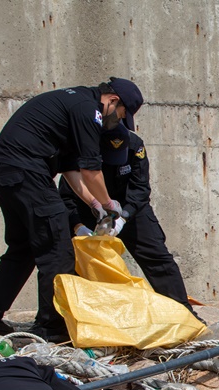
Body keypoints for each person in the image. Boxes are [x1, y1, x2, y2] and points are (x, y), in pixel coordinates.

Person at [0, 77, 144, 343]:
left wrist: (94, 204)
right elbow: (90, 170)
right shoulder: (89, 110)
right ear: (113, 100)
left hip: (7, 172)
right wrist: (110, 205)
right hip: (27, 171)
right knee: (57, 247)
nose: (116, 121)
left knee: (23, 248)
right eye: (120, 115)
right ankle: (51, 327)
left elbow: (71, 169)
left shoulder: (74, 103)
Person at [57, 123, 200, 318]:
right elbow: (66, 198)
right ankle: (66, 320)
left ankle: (184, 313)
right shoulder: (84, 152)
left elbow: (140, 188)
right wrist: (78, 226)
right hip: (90, 208)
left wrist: (123, 217)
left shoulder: (135, 146)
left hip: (129, 206)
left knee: (157, 255)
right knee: (69, 260)